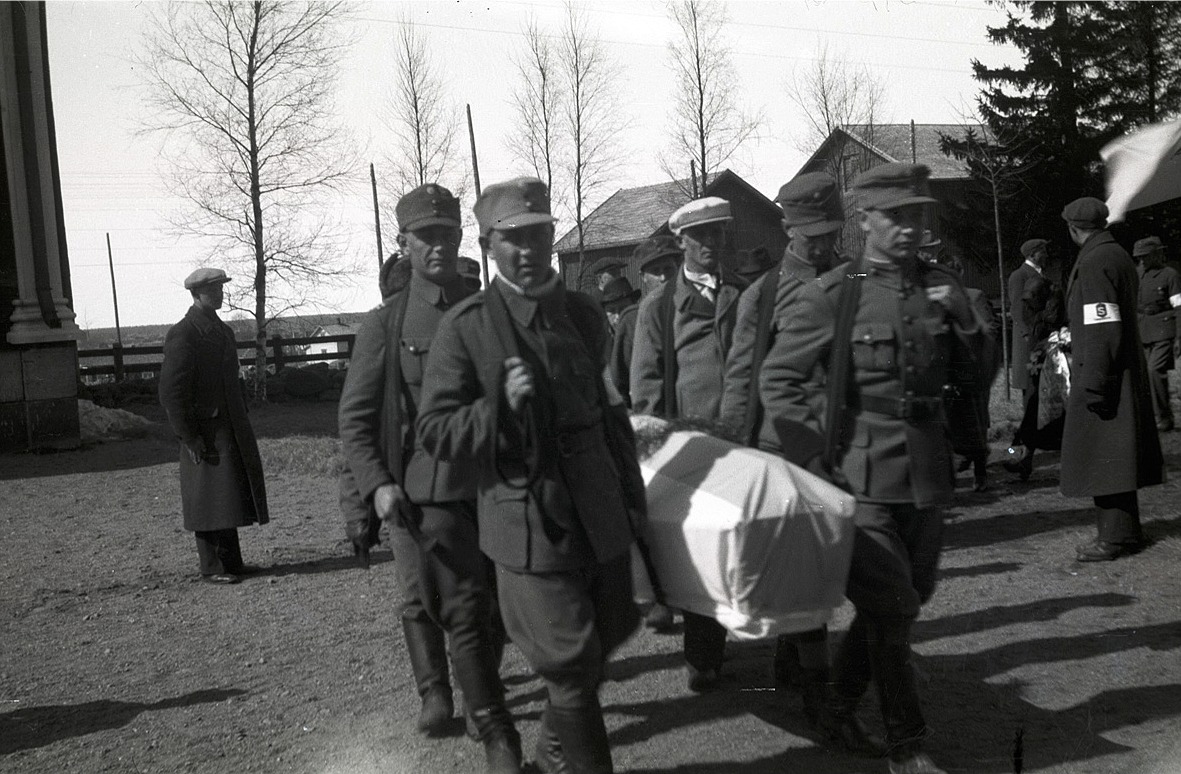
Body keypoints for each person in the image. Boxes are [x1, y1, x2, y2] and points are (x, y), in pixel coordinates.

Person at [760, 163, 992, 774]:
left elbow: (976, 378)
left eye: (917, 215)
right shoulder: (835, 296)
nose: (910, 228)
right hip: (857, 474)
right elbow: (779, 378)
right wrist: (812, 459)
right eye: (895, 216)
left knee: (908, 599)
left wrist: (966, 322)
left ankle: (837, 703)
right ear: (864, 221)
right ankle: (907, 743)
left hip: (926, 471)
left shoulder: (941, 288)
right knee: (893, 608)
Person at [416, 177, 646, 774]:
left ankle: (547, 758)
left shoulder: (582, 312)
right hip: (527, 520)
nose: (527, 248)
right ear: (490, 246)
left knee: (614, 630)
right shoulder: (466, 327)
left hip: (596, 506)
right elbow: (435, 432)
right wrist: (496, 408)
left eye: (537, 233)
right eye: (510, 238)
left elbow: (607, 409)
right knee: (570, 663)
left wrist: (631, 497)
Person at [338, 184, 521, 773]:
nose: (439, 246)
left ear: (462, 239)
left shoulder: (489, 308)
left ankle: (478, 695)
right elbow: (357, 418)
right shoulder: (385, 325)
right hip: (416, 489)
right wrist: (376, 485)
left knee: (489, 601)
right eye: (426, 237)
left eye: (448, 234)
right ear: (404, 243)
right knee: (422, 596)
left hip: (489, 482)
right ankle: (434, 690)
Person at [718, 172, 869, 739]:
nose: (824, 245)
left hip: (855, 443)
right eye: (811, 235)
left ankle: (803, 658)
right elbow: (742, 378)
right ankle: (816, 685)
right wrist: (736, 451)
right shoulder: (766, 291)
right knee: (806, 574)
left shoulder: (858, 272)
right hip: (789, 447)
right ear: (786, 228)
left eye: (830, 232)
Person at [631, 196, 747, 692]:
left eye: (718, 234)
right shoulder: (659, 305)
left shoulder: (743, 295)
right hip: (688, 444)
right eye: (700, 237)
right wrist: (658, 446)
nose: (710, 245)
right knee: (700, 547)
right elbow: (647, 383)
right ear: (681, 242)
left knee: (742, 543)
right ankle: (704, 657)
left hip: (741, 442)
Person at [1059, 197, 1164, 561]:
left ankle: (1114, 539)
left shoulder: (1094, 261)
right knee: (1117, 456)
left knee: (1103, 456)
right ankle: (1126, 532)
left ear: (1073, 228)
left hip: (1104, 372)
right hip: (1122, 368)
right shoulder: (1116, 254)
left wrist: (1096, 381)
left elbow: (1103, 327)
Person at [158, 268, 268, 585]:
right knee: (207, 497)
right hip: (204, 430)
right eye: (213, 290)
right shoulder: (185, 333)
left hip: (227, 426)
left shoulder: (221, 331)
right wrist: (189, 437)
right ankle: (213, 567)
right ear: (196, 294)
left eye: (220, 288)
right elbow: (171, 392)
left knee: (224, 494)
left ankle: (232, 562)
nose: (219, 294)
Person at [1004, 237, 1057, 479]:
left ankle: (1024, 454)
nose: (1047, 253)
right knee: (1031, 399)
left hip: (1044, 342)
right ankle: (1021, 455)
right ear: (1034, 253)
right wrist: (1030, 338)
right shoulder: (1019, 276)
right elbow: (1017, 310)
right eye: (1043, 250)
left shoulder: (1042, 275)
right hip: (1030, 346)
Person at [1133, 236, 1181, 432]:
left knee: (1154, 370)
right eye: (1139, 257)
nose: (1142, 261)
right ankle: (1151, 416)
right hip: (1142, 329)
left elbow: (1179, 307)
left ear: (1156, 254)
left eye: (1146, 256)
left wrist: (1179, 337)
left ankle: (1164, 416)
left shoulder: (1169, 274)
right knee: (1144, 374)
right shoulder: (1136, 274)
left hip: (1163, 328)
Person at [601, 276, 641, 408]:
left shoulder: (643, 333)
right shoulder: (599, 341)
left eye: (623, 309)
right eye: (612, 311)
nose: (618, 317)